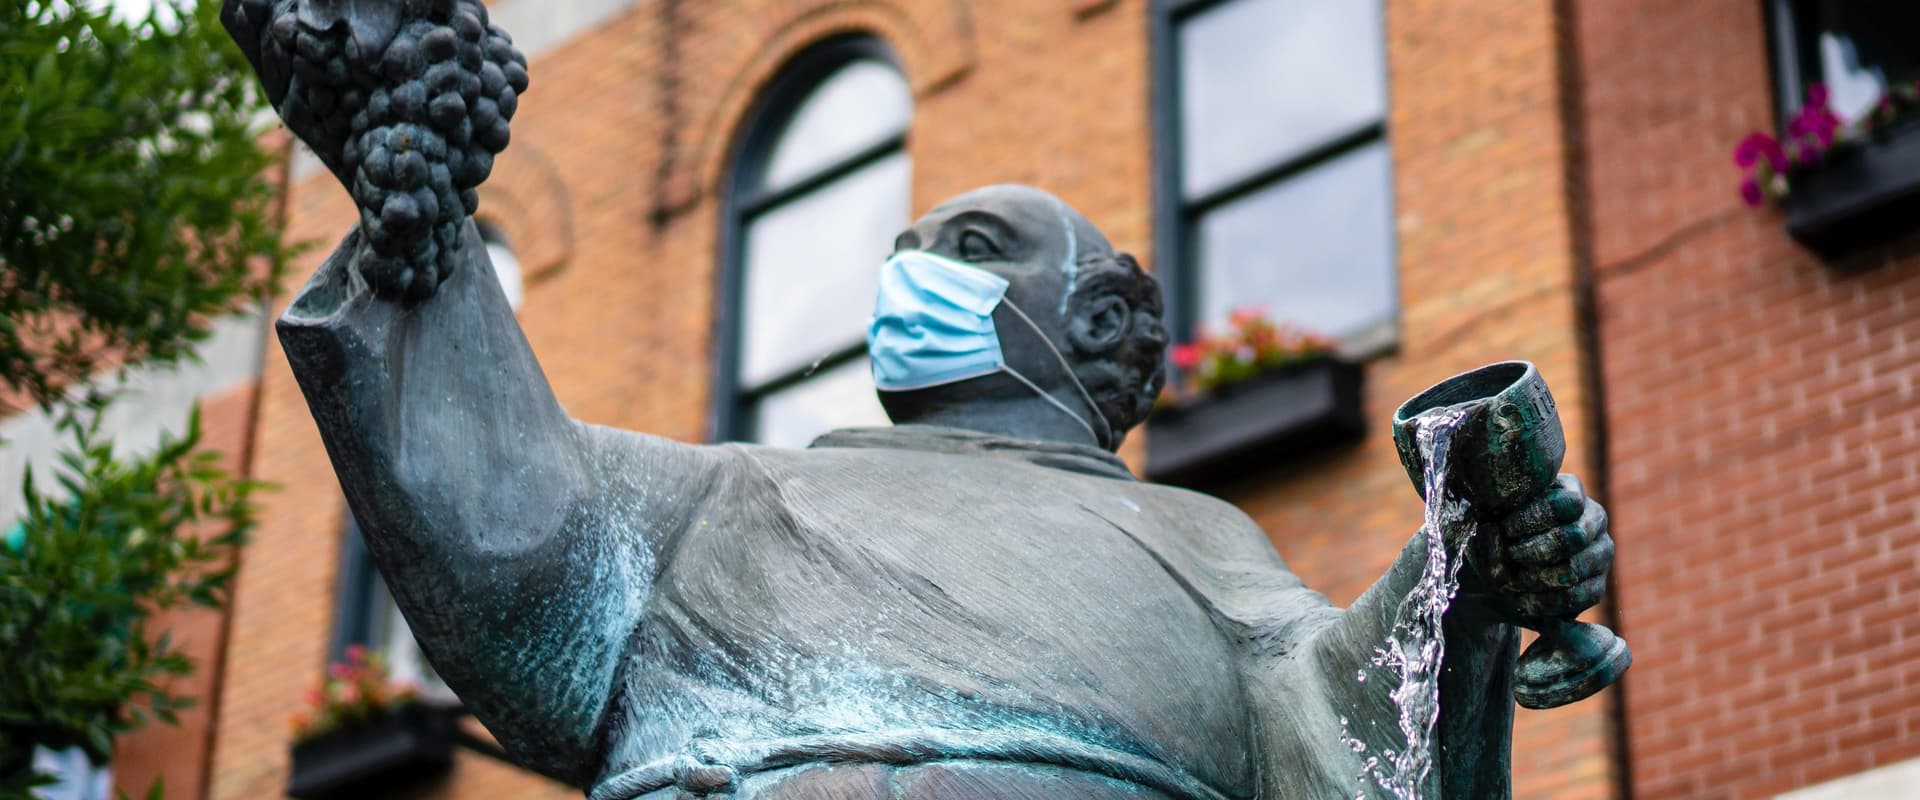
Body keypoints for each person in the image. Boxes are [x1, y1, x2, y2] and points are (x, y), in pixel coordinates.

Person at [236, 5, 1615, 798]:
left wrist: (1471, 576)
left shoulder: (1206, 548)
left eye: (967, 253)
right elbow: (508, 522)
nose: (909, 276)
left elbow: (1340, 739)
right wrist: (410, 210)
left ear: (1098, 323)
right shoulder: (715, 494)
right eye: (904, 255)